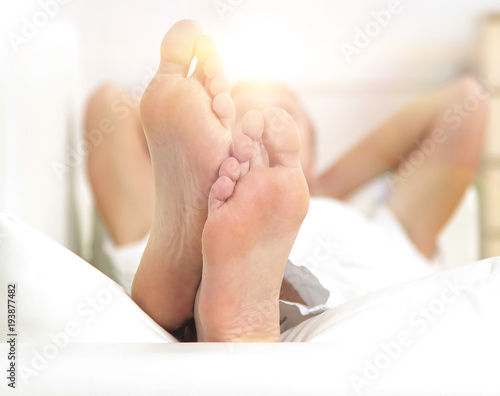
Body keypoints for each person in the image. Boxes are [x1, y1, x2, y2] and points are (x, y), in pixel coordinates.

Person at [85, 20, 489, 342]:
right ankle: (211, 300)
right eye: (236, 120)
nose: (254, 135)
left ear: (311, 159)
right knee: (174, 260)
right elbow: (108, 107)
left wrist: (322, 186)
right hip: (359, 340)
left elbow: (466, 103)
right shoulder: (171, 211)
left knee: (167, 300)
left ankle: (212, 308)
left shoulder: (377, 225)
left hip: (364, 324)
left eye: (282, 116)